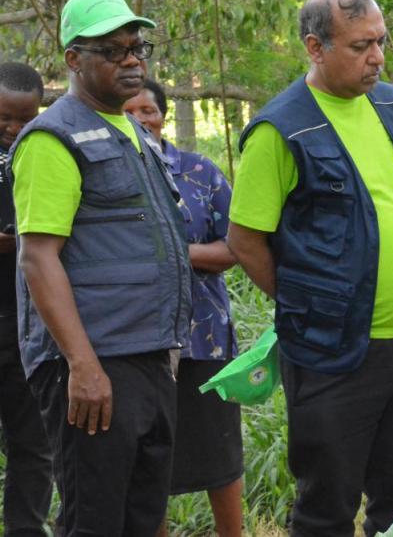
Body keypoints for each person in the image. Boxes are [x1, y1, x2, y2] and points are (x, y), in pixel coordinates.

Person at [226, 0, 393, 537]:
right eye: (359, 46)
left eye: (380, 42)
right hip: (332, 352)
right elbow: (244, 239)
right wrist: (311, 302)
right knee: (328, 503)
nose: (375, 57)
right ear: (315, 47)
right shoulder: (282, 129)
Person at [12, 0, 192, 534]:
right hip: (93, 365)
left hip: (148, 357)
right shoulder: (52, 139)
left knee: (142, 518)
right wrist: (84, 366)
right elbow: (38, 259)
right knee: (95, 521)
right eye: (112, 51)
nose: (132, 60)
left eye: (138, 48)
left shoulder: (135, 131)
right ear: (74, 59)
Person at [124, 79, 243, 537]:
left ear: (163, 115)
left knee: (221, 451)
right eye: (130, 110)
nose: (141, 119)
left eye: (149, 110)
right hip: (138, 337)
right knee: (148, 456)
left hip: (204, 334)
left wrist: (173, 252)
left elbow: (235, 247)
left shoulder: (199, 171)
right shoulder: (106, 174)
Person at [0, 61, 53, 536]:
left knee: (33, 443)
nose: (14, 130)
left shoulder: (43, 153)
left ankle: (25, 529)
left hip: (28, 324)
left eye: (24, 120)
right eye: (4, 120)